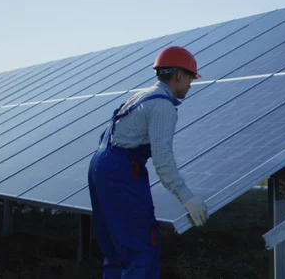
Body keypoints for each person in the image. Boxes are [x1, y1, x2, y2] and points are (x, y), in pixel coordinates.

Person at [88, 46, 210, 278]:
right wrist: (187, 198)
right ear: (179, 76)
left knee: (115, 250)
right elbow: (163, 161)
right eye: (191, 78)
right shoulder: (163, 106)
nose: (191, 85)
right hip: (121, 171)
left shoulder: (141, 96)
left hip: (100, 165)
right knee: (141, 248)